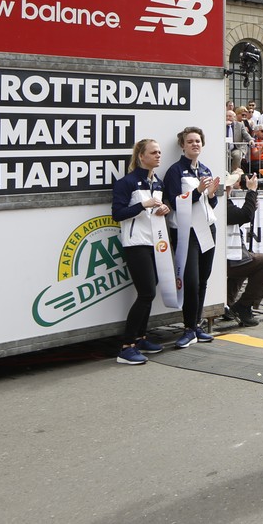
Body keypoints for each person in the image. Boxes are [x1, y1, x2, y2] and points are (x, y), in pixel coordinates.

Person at [111, 139, 172, 365]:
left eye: (159, 152)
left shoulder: (158, 182)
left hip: (155, 243)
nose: (158, 155)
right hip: (136, 243)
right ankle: (126, 347)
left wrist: (164, 208)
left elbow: (158, 209)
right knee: (146, 293)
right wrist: (142, 205)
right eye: (153, 152)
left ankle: (140, 338)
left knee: (150, 291)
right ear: (141, 156)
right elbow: (117, 214)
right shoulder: (126, 182)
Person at [163, 126, 222, 349]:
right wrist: (197, 192)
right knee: (191, 281)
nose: (195, 144)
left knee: (203, 279)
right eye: (190, 141)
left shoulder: (205, 169)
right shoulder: (175, 171)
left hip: (207, 228)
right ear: (183, 145)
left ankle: (196, 326)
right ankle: (188, 328)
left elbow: (210, 203)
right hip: (186, 231)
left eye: (198, 141)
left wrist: (212, 194)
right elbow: (174, 201)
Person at [223, 172, 263, 326]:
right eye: (229, 185)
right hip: (227, 259)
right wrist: (251, 191)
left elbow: (235, 219)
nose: (232, 187)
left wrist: (251, 204)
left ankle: (226, 304)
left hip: (228, 256)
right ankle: (244, 306)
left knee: (244, 262)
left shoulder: (219, 202)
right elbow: (244, 215)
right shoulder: (221, 203)